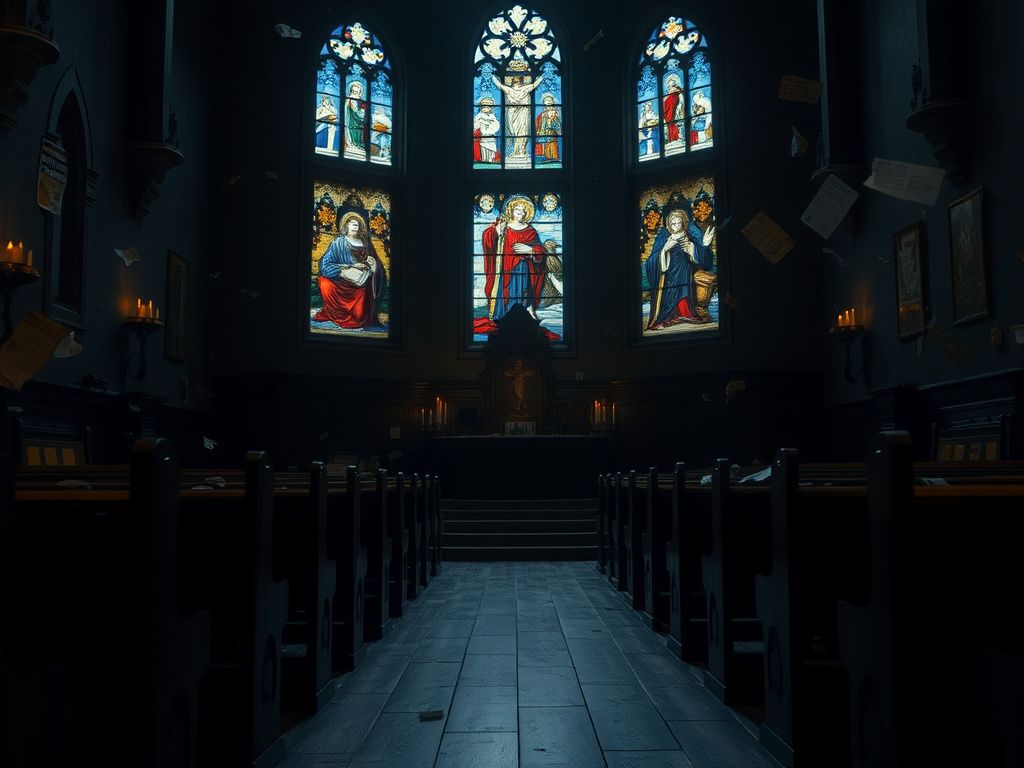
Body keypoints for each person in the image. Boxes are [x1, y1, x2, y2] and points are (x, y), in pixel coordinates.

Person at [645, 208, 715, 329]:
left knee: (684, 291)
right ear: (669, 225)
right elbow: (652, 261)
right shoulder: (666, 239)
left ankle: (685, 314)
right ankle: (669, 316)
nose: (676, 225)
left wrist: (700, 246)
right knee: (670, 292)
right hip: (669, 272)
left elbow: (700, 259)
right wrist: (665, 250)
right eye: (673, 223)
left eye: (678, 222)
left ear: (683, 223)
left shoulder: (689, 237)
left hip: (684, 270)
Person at [481, 197, 547, 322]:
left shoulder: (530, 231)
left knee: (521, 292)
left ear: (527, 213)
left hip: (522, 269)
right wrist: (495, 231)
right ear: (511, 210)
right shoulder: (504, 227)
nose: (520, 213)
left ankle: (523, 315)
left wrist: (530, 250)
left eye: (523, 210)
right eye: (517, 209)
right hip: (504, 269)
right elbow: (488, 238)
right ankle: (504, 315)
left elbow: (541, 251)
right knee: (506, 292)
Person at [314, 212, 384, 329]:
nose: (355, 228)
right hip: (341, 280)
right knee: (324, 282)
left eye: (357, 226)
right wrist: (345, 269)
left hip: (361, 283)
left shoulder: (366, 243)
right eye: (353, 225)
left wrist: (374, 266)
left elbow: (377, 267)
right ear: (346, 226)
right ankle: (335, 314)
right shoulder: (338, 242)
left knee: (358, 314)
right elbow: (325, 266)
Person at [492, 73, 542, 157]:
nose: (516, 81)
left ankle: (522, 150)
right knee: (515, 132)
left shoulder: (525, 88)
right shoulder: (508, 89)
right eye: (514, 80)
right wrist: (492, 76)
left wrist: (542, 76)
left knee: (523, 131)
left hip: (523, 112)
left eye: (518, 80)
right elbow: (499, 85)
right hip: (512, 113)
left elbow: (534, 85)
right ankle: (516, 151)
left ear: (521, 81)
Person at [473, 96, 501, 164]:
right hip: (483, 136)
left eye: (487, 107)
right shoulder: (479, 115)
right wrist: (482, 122)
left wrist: (489, 126)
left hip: (490, 136)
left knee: (491, 149)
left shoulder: (492, 116)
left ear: (491, 108)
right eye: (483, 107)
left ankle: (491, 160)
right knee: (483, 149)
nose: (484, 109)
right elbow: (475, 123)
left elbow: (496, 125)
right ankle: (484, 160)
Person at [535, 93, 560, 162]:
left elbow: (558, 124)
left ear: (553, 101)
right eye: (546, 100)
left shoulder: (555, 112)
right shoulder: (542, 113)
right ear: (543, 102)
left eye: (550, 100)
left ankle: (553, 158)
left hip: (552, 132)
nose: (548, 101)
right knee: (544, 145)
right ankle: (545, 157)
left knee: (552, 144)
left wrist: (552, 122)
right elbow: (539, 123)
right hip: (543, 133)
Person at [344, 82, 367, 157]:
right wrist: (349, 101)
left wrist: (360, 113)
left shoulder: (362, 102)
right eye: (353, 91)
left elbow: (361, 113)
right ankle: (352, 145)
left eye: (356, 92)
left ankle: (358, 146)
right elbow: (347, 111)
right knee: (352, 132)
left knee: (359, 134)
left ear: (360, 93)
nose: (354, 93)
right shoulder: (349, 99)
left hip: (360, 123)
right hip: (351, 122)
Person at [663, 76, 684, 145]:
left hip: (675, 115)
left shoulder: (677, 94)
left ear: (676, 86)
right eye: (668, 86)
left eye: (672, 86)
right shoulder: (667, 97)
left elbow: (680, 104)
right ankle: (672, 140)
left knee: (674, 126)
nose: (669, 88)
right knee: (670, 127)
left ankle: (677, 138)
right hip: (668, 117)